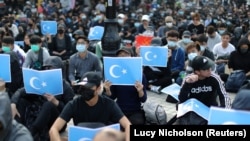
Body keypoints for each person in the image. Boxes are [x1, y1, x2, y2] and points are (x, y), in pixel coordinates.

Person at [49, 71, 131, 141]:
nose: (85, 90)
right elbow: (54, 129)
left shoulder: (109, 104)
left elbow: (128, 125)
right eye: (83, 87)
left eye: (88, 87)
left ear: (98, 88)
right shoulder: (73, 104)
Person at [11, 56, 75, 140]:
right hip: (37, 115)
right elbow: (20, 91)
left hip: (56, 121)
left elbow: (70, 112)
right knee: (21, 101)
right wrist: (13, 103)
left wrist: (56, 102)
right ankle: (15, 130)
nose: (48, 71)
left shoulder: (66, 87)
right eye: (46, 68)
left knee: (48, 105)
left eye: (51, 68)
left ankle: (31, 134)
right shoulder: (39, 82)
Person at [175, 56, 231, 125]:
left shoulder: (214, 78)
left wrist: (225, 112)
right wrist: (187, 84)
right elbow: (182, 99)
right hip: (193, 111)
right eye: (206, 69)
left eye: (210, 67)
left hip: (209, 109)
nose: (210, 70)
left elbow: (224, 95)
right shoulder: (188, 79)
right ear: (197, 71)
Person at [104, 47, 147, 125]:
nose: (122, 57)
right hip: (119, 109)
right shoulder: (115, 75)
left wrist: (140, 90)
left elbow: (143, 99)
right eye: (120, 55)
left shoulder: (139, 75)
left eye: (125, 55)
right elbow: (111, 97)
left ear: (132, 57)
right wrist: (107, 90)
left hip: (135, 110)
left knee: (137, 123)